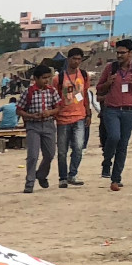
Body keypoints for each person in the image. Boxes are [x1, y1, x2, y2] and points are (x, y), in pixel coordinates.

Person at [19, 64, 62, 193]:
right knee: (32, 155)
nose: (46, 81)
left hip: (48, 124)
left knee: (49, 154)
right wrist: (31, 116)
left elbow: (58, 107)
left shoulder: (51, 91)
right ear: (36, 79)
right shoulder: (28, 92)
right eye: (44, 78)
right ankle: (30, 182)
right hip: (33, 126)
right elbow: (19, 110)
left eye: (48, 78)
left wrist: (50, 112)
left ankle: (41, 174)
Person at [54, 49, 91, 188]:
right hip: (63, 118)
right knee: (62, 150)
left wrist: (88, 113)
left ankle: (72, 174)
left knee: (79, 147)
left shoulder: (84, 75)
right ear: (68, 59)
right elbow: (54, 97)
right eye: (74, 58)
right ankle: (63, 178)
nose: (76, 61)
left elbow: (86, 94)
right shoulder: (59, 78)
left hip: (79, 116)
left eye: (79, 59)